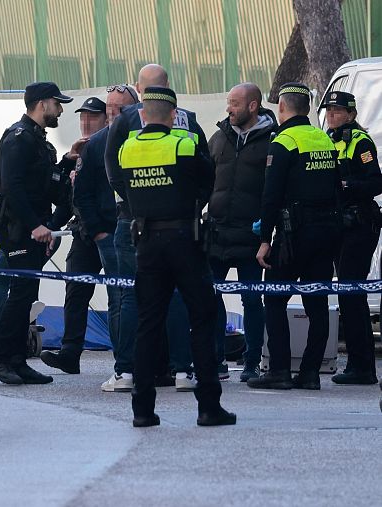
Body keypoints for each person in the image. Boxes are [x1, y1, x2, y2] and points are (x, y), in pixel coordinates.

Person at [116, 86, 234, 427]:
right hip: (184, 237)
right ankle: (209, 406)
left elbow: (124, 189)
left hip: (146, 242)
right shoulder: (185, 144)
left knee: (148, 324)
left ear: (141, 115)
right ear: (172, 115)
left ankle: (142, 410)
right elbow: (206, 182)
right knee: (202, 317)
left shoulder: (127, 149)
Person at [105, 66, 201, 392]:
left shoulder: (128, 119)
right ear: (169, 87)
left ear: (139, 89)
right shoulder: (186, 118)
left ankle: (127, 371)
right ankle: (184, 370)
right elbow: (206, 169)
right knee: (177, 296)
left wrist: (135, 204)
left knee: (133, 298)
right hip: (181, 224)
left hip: (135, 223)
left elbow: (112, 169)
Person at [248, 83, 342, 391]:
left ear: (283, 108)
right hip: (326, 232)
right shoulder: (323, 139)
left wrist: (265, 238)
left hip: (292, 235)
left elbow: (270, 195)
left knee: (274, 299)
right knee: (317, 303)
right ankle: (311, 372)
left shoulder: (284, 141)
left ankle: (279, 371)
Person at [0, 82, 74, 385]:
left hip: (34, 227)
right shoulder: (18, 139)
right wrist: (35, 225)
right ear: (41, 103)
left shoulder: (40, 143)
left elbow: (46, 184)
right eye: (57, 103)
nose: (60, 109)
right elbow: (12, 188)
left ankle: (17, 360)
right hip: (17, 227)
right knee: (20, 293)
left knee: (27, 294)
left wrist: (68, 161)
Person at [205, 83, 277, 382]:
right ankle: (216, 359)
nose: (228, 109)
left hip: (251, 236)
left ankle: (251, 362)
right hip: (218, 233)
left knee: (251, 300)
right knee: (210, 297)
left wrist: (267, 234)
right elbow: (202, 179)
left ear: (252, 106)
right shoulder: (218, 138)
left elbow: (276, 189)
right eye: (228, 102)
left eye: (234, 103)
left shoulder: (273, 141)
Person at [39, 97, 110, 375]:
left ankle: (130, 359)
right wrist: (68, 161)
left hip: (110, 231)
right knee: (75, 292)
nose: (86, 122)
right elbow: (67, 199)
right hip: (83, 232)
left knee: (121, 295)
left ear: (106, 120)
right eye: (83, 117)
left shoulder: (110, 145)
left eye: (93, 117)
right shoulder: (79, 151)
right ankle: (70, 353)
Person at [321, 91, 382, 385]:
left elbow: (376, 181)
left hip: (360, 224)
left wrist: (346, 185)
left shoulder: (360, 142)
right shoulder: (329, 141)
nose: (332, 115)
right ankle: (358, 365)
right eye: (329, 110)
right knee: (347, 293)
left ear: (351, 114)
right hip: (340, 226)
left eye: (337, 110)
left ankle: (363, 368)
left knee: (351, 292)